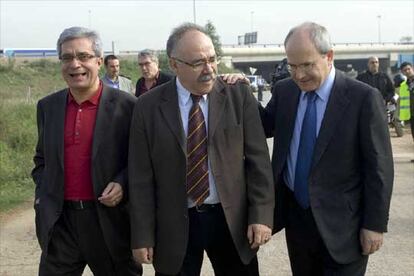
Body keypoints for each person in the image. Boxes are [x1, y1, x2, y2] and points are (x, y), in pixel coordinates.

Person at [129, 23, 275, 276]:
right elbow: (141, 176)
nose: (209, 69)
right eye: (198, 63)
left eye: (212, 59)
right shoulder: (147, 107)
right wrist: (142, 234)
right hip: (175, 223)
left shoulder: (237, 95)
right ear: (174, 65)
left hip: (230, 220)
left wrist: (261, 215)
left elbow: (258, 161)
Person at [260, 22, 393, 275]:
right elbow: (260, 128)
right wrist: (235, 89)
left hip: (345, 227)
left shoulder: (362, 98)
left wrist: (374, 224)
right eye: (292, 66)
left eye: (307, 65)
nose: (299, 75)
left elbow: (379, 167)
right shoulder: (286, 92)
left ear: (329, 56)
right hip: (297, 220)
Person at [32, 26, 142, 276]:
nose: (75, 64)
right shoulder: (47, 107)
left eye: (83, 56)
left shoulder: (128, 106)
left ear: (99, 61)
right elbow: (41, 160)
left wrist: (123, 183)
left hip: (110, 223)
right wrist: (44, 193)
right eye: (67, 58)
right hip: (62, 225)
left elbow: (141, 161)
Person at [399, 62, 413, 141]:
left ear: (412, 69)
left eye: (409, 69)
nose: (407, 71)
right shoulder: (403, 85)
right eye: (405, 70)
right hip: (411, 116)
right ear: (402, 72)